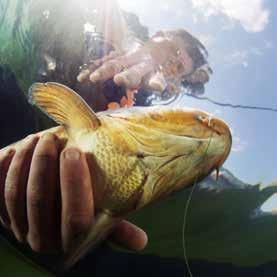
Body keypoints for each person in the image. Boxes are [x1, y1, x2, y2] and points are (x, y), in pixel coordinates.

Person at [0, 0, 211, 275]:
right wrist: (138, 47)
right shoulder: (129, 28)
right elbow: (110, 13)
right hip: (31, 91)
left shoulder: (148, 101)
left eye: (178, 70)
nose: (168, 67)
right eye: (171, 53)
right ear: (157, 36)